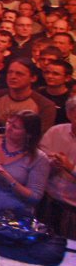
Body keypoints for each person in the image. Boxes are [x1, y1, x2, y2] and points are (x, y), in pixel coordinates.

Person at [38, 97, 76, 238]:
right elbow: (39, 161)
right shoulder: (55, 132)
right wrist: (51, 164)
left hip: (73, 212)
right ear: (70, 114)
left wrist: (70, 167)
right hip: (47, 202)